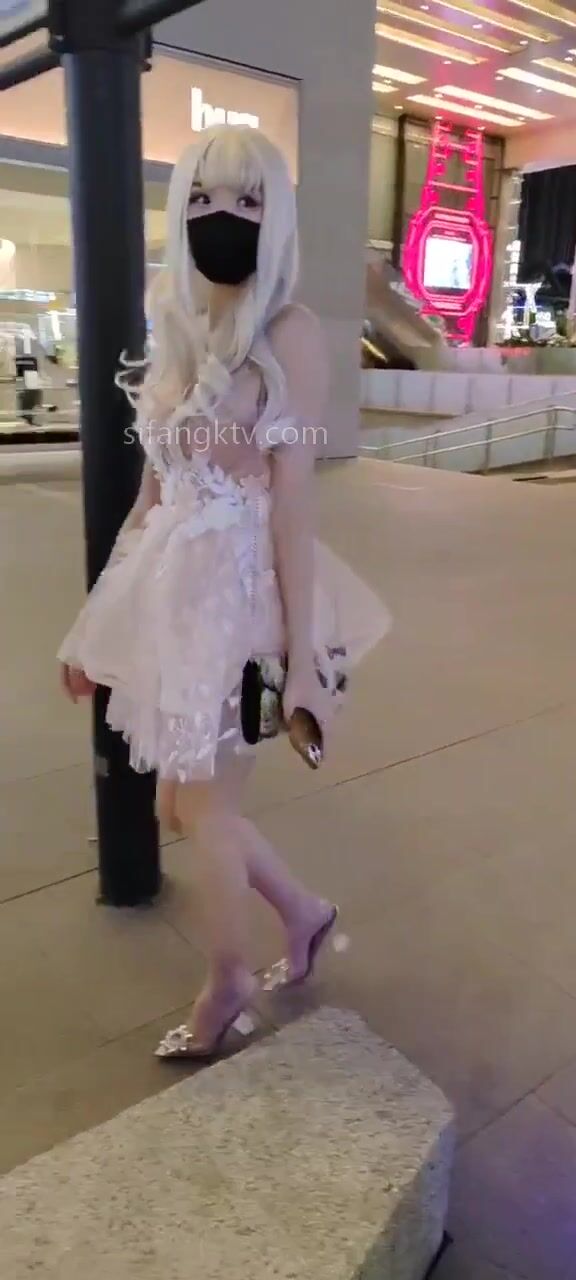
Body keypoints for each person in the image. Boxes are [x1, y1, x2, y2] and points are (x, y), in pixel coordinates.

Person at [59, 126, 389, 1059]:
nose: (222, 217)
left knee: (203, 809)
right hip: (172, 592)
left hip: (240, 599)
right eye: (204, 198)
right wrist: (90, 629)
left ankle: (228, 982)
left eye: (247, 200)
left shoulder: (289, 333)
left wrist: (301, 657)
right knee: (180, 806)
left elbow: (295, 504)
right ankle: (307, 913)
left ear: (274, 216)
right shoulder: (176, 321)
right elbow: (151, 495)